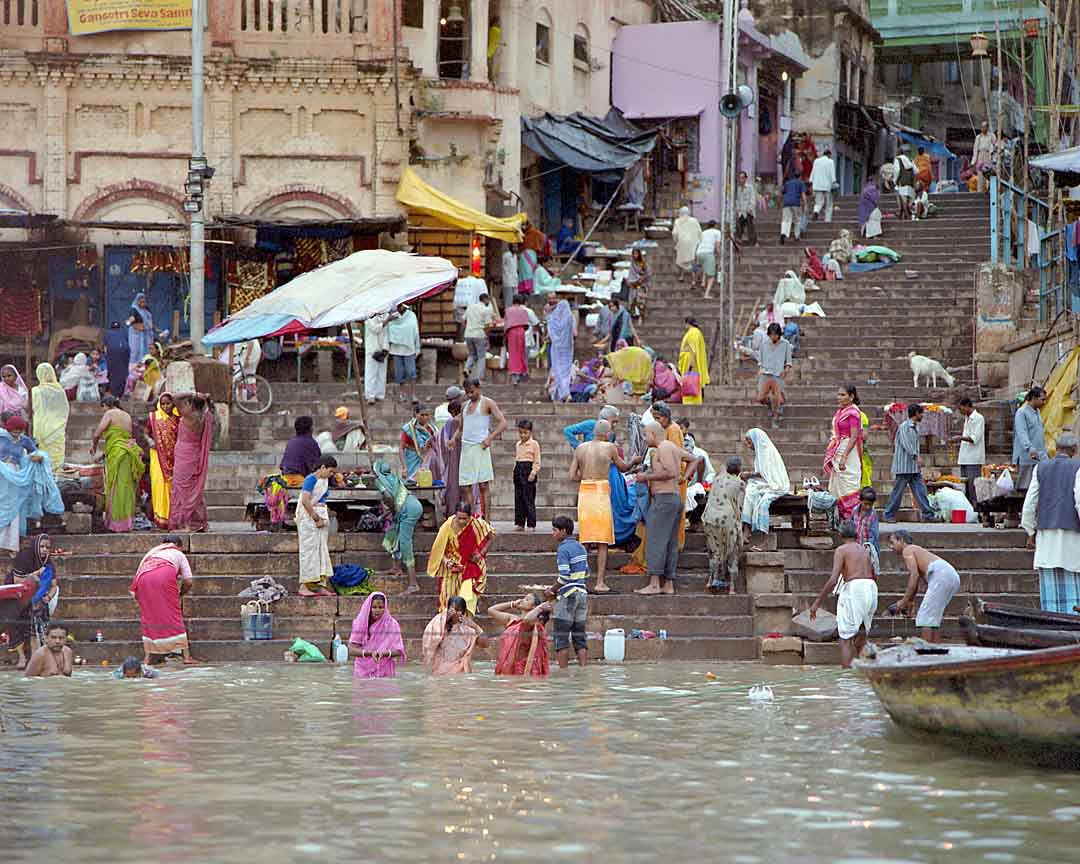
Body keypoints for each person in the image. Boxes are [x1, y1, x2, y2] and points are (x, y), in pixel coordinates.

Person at [570, 419, 638, 593]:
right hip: (600, 493)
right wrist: (634, 461)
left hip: (585, 493)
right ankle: (600, 582)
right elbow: (623, 468)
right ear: (607, 434)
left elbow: (572, 475)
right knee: (602, 541)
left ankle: (579, 580)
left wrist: (586, 478)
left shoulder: (581, 448)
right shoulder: (609, 448)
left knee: (585, 538)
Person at [634, 422, 699, 595]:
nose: (644, 438)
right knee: (670, 543)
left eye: (646, 435)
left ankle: (654, 584)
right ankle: (668, 584)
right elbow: (694, 459)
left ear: (653, 434)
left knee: (655, 541)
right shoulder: (673, 447)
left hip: (664, 501)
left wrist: (646, 477)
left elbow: (670, 472)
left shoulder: (662, 448)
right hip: (675, 499)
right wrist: (684, 477)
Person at [1021, 432, 1080, 613]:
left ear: (1056, 448)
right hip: (1073, 539)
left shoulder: (1041, 468)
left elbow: (1029, 504)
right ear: (1074, 449)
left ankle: (1052, 622)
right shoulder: (1078, 467)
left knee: (1050, 592)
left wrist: (1030, 531)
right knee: (1074, 587)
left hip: (1046, 539)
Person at [809, 521, 878, 668]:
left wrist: (816, 603)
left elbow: (834, 579)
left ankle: (846, 680)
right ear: (856, 534)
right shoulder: (864, 549)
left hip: (855, 589)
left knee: (845, 638)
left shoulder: (841, 550)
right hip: (871, 588)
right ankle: (865, 676)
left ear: (840, 535)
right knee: (861, 635)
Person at [129, 536, 198, 665]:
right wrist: (181, 594)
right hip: (163, 578)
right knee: (174, 615)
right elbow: (188, 581)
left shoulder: (154, 552)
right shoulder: (178, 553)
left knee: (149, 615)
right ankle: (186, 657)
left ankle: (148, 658)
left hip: (142, 580)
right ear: (178, 545)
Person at [890, 530, 961, 642]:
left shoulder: (908, 550)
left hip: (941, 575)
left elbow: (914, 576)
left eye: (892, 542)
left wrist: (903, 602)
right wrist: (910, 602)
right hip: (950, 576)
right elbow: (916, 582)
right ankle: (934, 652)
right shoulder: (915, 550)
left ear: (902, 541)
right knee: (932, 619)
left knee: (925, 618)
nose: (891, 547)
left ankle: (926, 653)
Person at [453, 379, 506, 518]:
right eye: (467, 392)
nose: (470, 394)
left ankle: (487, 519)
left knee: (483, 485)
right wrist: (453, 439)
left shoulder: (487, 402)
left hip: (480, 447)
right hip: (466, 447)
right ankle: (471, 518)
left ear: (478, 388)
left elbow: (503, 422)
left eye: (472, 391)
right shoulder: (464, 405)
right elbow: (461, 428)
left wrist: (490, 437)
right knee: (466, 486)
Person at [91, 396, 145, 533]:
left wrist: (94, 447)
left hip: (118, 454)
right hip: (129, 451)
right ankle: (127, 523)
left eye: (102, 408)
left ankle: (116, 524)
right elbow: (122, 438)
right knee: (127, 487)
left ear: (105, 405)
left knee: (116, 487)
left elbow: (97, 433)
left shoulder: (109, 413)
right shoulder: (126, 415)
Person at [428, 501, 493, 614]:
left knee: (467, 601)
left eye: (465, 518)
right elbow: (439, 550)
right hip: (451, 568)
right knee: (447, 602)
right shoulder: (447, 526)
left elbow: (490, 536)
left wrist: (481, 553)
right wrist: (446, 561)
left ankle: (467, 625)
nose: (461, 521)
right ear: (455, 515)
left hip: (471, 566)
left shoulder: (477, 523)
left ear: (470, 517)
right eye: (459, 518)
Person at [372, 460, 423, 595]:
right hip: (412, 505)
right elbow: (396, 500)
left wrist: (393, 509)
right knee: (393, 533)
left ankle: (413, 584)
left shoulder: (379, 481)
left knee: (405, 543)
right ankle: (396, 567)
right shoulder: (395, 479)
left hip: (409, 510)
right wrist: (386, 514)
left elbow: (389, 497)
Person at [883, 403, 936, 522]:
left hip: (913, 467)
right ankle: (888, 514)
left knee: (920, 491)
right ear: (916, 414)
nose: (922, 415)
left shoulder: (914, 426)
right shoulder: (905, 426)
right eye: (921, 413)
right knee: (898, 492)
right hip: (904, 467)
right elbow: (907, 444)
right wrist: (916, 456)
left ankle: (928, 514)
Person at [548, 516, 589, 668]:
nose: (552, 533)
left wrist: (551, 590)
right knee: (580, 636)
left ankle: (563, 675)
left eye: (554, 530)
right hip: (582, 594)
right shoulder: (581, 547)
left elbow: (564, 577)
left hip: (567, 596)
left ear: (563, 531)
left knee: (561, 637)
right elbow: (586, 573)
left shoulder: (563, 549)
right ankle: (583, 670)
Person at [169, 393, 213, 533]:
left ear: (191, 406)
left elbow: (173, 397)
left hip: (185, 456)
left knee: (183, 490)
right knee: (193, 489)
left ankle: (187, 525)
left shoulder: (190, 417)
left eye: (187, 403)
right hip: (193, 454)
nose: (183, 405)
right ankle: (198, 523)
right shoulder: (203, 417)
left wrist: (193, 394)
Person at [742, 427, 790, 551]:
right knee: (749, 491)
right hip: (766, 483)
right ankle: (746, 531)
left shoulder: (767, 452)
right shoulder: (760, 452)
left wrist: (749, 474)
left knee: (763, 503)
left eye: (749, 442)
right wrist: (750, 475)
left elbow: (765, 474)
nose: (748, 445)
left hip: (776, 485)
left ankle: (765, 541)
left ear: (756, 440)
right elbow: (762, 474)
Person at [296, 455, 337, 597]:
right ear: (323, 467)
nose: (331, 474)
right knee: (309, 554)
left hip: (320, 520)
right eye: (330, 471)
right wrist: (316, 518)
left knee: (321, 553)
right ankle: (303, 586)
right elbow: (305, 501)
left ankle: (320, 586)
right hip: (310, 520)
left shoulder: (324, 481)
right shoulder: (310, 479)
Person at [703, 457, 744, 593]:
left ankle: (711, 580)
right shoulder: (739, 483)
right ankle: (732, 587)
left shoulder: (717, 479)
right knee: (732, 551)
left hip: (709, 517)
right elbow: (739, 507)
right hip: (726, 519)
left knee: (715, 551)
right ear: (739, 470)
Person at [824, 384, 864, 521]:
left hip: (848, 452)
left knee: (849, 486)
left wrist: (844, 457)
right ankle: (841, 521)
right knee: (837, 486)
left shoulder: (853, 413)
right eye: (838, 394)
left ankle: (852, 520)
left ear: (851, 397)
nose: (839, 398)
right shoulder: (840, 412)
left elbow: (854, 437)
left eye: (843, 395)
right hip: (839, 448)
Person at [489, 592, 551, 676]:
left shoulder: (534, 624)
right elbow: (491, 610)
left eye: (527, 599)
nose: (522, 600)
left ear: (533, 606)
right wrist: (512, 604)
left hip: (521, 669)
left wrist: (539, 608)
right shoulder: (512, 619)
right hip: (506, 665)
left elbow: (526, 620)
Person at [347, 591, 406, 678]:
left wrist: (384, 653)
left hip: (385, 671)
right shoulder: (360, 623)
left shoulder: (392, 624)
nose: (377, 610)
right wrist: (370, 653)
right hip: (363, 672)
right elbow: (351, 650)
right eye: (374, 607)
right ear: (369, 608)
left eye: (381, 607)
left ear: (385, 608)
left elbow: (399, 650)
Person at [422, 595, 483, 675]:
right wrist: (447, 617)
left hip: (460, 675)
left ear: (463, 612)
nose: (455, 613)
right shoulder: (439, 626)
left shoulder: (469, 631)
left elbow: (485, 644)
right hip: (440, 674)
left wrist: (476, 627)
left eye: (459, 610)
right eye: (452, 609)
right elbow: (430, 640)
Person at [147, 392, 180, 529]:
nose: (166, 406)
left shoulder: (178, 419)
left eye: (168, 403)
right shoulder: (153, 417)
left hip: (175, 458)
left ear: (173, 404)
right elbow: (145, 432)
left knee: (173, 487)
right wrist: (150, 441)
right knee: (159, 486)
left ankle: (174, 517)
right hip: (157, 457)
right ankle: (161, 518)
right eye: (163, 404)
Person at [31, 362, 69, 470]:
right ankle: (56, 473)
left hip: (41, 426)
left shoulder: (35, 391)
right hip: (58, 426)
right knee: (57, 453)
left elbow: (31, 408)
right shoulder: (60, 391)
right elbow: (65, 409)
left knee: (43, 454)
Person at [754, 323, 793, 427]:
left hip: (778, 374)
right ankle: (769, 404)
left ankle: (775, 417)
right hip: (766, 373)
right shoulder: (764, 344)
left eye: (775, 335)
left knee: (776, 398)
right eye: (771, 335)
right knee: (760, 398)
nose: (773, 337)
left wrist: (785, 371)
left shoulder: (786, 344)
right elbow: (760, 361)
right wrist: (760, 369)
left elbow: (788, 362)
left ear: (779, 334)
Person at [1013, 386, 1047, 492]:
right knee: (1025, 488)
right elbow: (1022, 433)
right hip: (1026, 457)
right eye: (1042, 399)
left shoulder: (1037, 412)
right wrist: (1030, 448)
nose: (1044, 402)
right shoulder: (1021, 412)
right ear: (1034, 398)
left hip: (1039, 456)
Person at [953, 397, 986, 506]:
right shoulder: (967, 418)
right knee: (965, 485)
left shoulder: (978, 418)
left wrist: (960, 438)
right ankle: (967, 508)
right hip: (964, 457)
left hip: (974, 458)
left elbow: (974, 438)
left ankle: (975, 508)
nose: (960, 411)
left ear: (967, 406)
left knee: (973, 485)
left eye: (961, 408)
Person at [387, 304, 420, 405]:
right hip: (396, 349)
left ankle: (413, 394)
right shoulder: (392, 316)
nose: (400, 308)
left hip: (409, 348)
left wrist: (417, 347)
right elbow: (389, 328)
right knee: (399, 373)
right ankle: (402, 394)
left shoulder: (411, 316)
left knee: (412, 372)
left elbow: (415, 330)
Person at [545, 295, 576, 402]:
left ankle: (564, 395)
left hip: (556, 349)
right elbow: (575, 333)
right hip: (567, 349)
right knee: (566, 372)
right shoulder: (570, 318)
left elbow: (549, 335)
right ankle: (565, 394)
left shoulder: (552, 318)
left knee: (557, 370)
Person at [399, 402, 439, 482]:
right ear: (416, 414)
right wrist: (404, 468)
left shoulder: (432, 428)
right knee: (412, 483)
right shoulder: (409, 429)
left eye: (427, 415)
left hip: (428, 459)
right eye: (422, 415)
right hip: (412, 459)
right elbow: (401, 448)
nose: (424, 417)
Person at [513, 419, 541, 532]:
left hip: (528, 470)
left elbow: (537, 460)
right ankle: (519, 523)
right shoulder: (518, 444)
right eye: (520, 432)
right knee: (518, 498)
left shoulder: (534, 444)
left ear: (530, 432)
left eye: (525, 433)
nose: (522, 435)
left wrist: (533, 472)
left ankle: (531, 524)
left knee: (528, 498)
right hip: (518, 469)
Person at [463, 293, 497, 381]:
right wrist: (488, 332)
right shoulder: (486, 310)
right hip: (479, 334)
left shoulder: (470, 307)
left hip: (468, 334)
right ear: (485, 300)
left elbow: (464, 320)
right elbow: (487, 325)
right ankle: (480, 377)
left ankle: (466, 368)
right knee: (481, 356)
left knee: (472, 354)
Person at [677, 317, 710, 405]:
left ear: (687, 323)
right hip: (689, 360)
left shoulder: (693, 333)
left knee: (690, 382)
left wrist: (691, 365)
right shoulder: (696, 332)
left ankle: (690, 402)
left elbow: (693, 349)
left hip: (689, 361)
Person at [504, 293, 532, 384]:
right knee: (521, 352)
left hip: (511, 332)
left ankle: (515, 376)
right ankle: (523, 372)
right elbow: (526, 325)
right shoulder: (524, 311)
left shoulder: (508, 310)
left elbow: (506, 324)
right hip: (521, 332)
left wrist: (505, 336)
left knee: (513, 353)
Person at [672, 206, 703, 285]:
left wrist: (676, 242)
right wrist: (700, 241)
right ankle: (693, 280)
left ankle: (681, 276)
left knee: (681, 259)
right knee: (693, 261)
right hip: (693, 243)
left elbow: (674, 233)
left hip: (682, 242)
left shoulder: (677, 221)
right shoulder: (694, 220)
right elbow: (699, 231)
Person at [363, 312, 390, 404]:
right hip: (372, 349)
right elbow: (376, 329)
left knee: (381, 373)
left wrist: (386, 348)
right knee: (371, 373)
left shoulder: (386, 316)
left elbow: (387, 334)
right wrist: (387, 320)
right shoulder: (368, 317)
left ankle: (380, 394)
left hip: (383, 348)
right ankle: (370, 395)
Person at [103, 321, 131, 398]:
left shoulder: (107, 333)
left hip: (112, 353)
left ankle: (114, 393)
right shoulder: (124, 332)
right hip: (124, 353)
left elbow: (105, 349)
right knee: (122, 372)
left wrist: (107, 357)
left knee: (113, 372)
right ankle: (119, 393)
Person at [695, 220, 722, 298]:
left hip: (699, 252)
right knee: (712, 276)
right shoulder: (717, 232)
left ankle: (703, 282)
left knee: (706, 266)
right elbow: (717, 246)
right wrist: (720, 257)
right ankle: (706, 294)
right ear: (716, 225)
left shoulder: (703, 232)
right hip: (708, 253)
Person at [127, 293, 154, 369]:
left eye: (144, 301)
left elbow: (150, 322)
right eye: (141, 302)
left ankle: (145, 366)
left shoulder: (146, 310)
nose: (143, 303)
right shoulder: (134, 309)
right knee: (135, 351)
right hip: (136, 335)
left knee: (147, 350)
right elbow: (131, 319)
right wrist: (129, 322)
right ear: (137, 301)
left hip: (146, 334)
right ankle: (133, 369)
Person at [809, 147, 836, 222]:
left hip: (817, 185)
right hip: (827, 186)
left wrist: (811, 181)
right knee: (828, 204)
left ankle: (816, 211)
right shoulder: (830, 161)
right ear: (829, 155)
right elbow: (832, 173)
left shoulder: (816, 161)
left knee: (818, 202)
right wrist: (834, 181)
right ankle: (827, 220)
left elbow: (813, 172)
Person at [780, 170, 806, 244]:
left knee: (785, 220)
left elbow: (782, 192)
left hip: (786, 203)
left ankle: (783, 233)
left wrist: (781, 202)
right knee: (797, 220)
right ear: (800, 177)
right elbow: (803, 194)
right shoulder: (800, 183)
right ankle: (797, 236)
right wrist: (805, 203)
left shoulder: (787, 183)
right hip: (796, 203)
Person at [623, 249, 651, 314]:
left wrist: (642, 278)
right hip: (633, 283)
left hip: (642, 283)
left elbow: (648, 272)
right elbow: (631, 273)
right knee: (632, 298)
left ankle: (641, 314)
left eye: (637, 254)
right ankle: (633, 312)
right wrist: (630, 281)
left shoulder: (643, 262)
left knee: (640, 300)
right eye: (634, 254)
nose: (635, 255)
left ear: (639, 254)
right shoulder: (632, 263)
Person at [855, 487, 880, 559]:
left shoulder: (873, 514)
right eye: (865, 504)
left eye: (870, 504)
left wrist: (869, 547)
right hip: (857, 545)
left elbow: (874, 534)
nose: (868, 507)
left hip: (869, 547)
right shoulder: (855, 511)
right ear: (860, 501)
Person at [973, 120, 996, 193]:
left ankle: (989, 190)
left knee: (989, 172)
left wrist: (993, 157)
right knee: (980, 173)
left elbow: (995, 146)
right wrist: (973, 161)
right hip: (980, 155)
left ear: (987, 128)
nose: (983, 129)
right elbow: (975, 149)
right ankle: (980, 191)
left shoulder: (992, 136)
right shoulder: (978, 137)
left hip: (988, 155)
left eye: (984, 127)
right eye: (982, 127)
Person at [735, 171, 758, 245]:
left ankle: (754, 242)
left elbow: (752, 198)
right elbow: (737, 199)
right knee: (739, 226)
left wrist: (750, 208)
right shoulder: (737, 188)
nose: (741, 180)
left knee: (750, 227)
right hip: (740, 211)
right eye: (740, 178)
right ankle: (738, 241)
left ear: (745, 178)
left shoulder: (750, 187)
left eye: (743, 178)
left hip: (748, 210)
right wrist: (737, 209)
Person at [893, 150, 916, 220]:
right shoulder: (909, 160)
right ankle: (903, 215)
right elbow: (916, 171)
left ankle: (907, 217)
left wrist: (895, 181)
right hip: (910, 182)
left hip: (902, 182)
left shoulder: (897, 159)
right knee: (907, 200)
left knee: (903, 201)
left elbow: (897, 171)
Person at [501, 242, 520, 311]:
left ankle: (514, 312)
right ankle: (507, 313)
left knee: (515, 298)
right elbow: (502, 267)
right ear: (510, 248)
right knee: (508, 300)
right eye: (514, 247)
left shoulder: (515, 256)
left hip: (514, 280)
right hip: (507, 280)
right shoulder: (506, 255)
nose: (516, 249)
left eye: (516, 247)